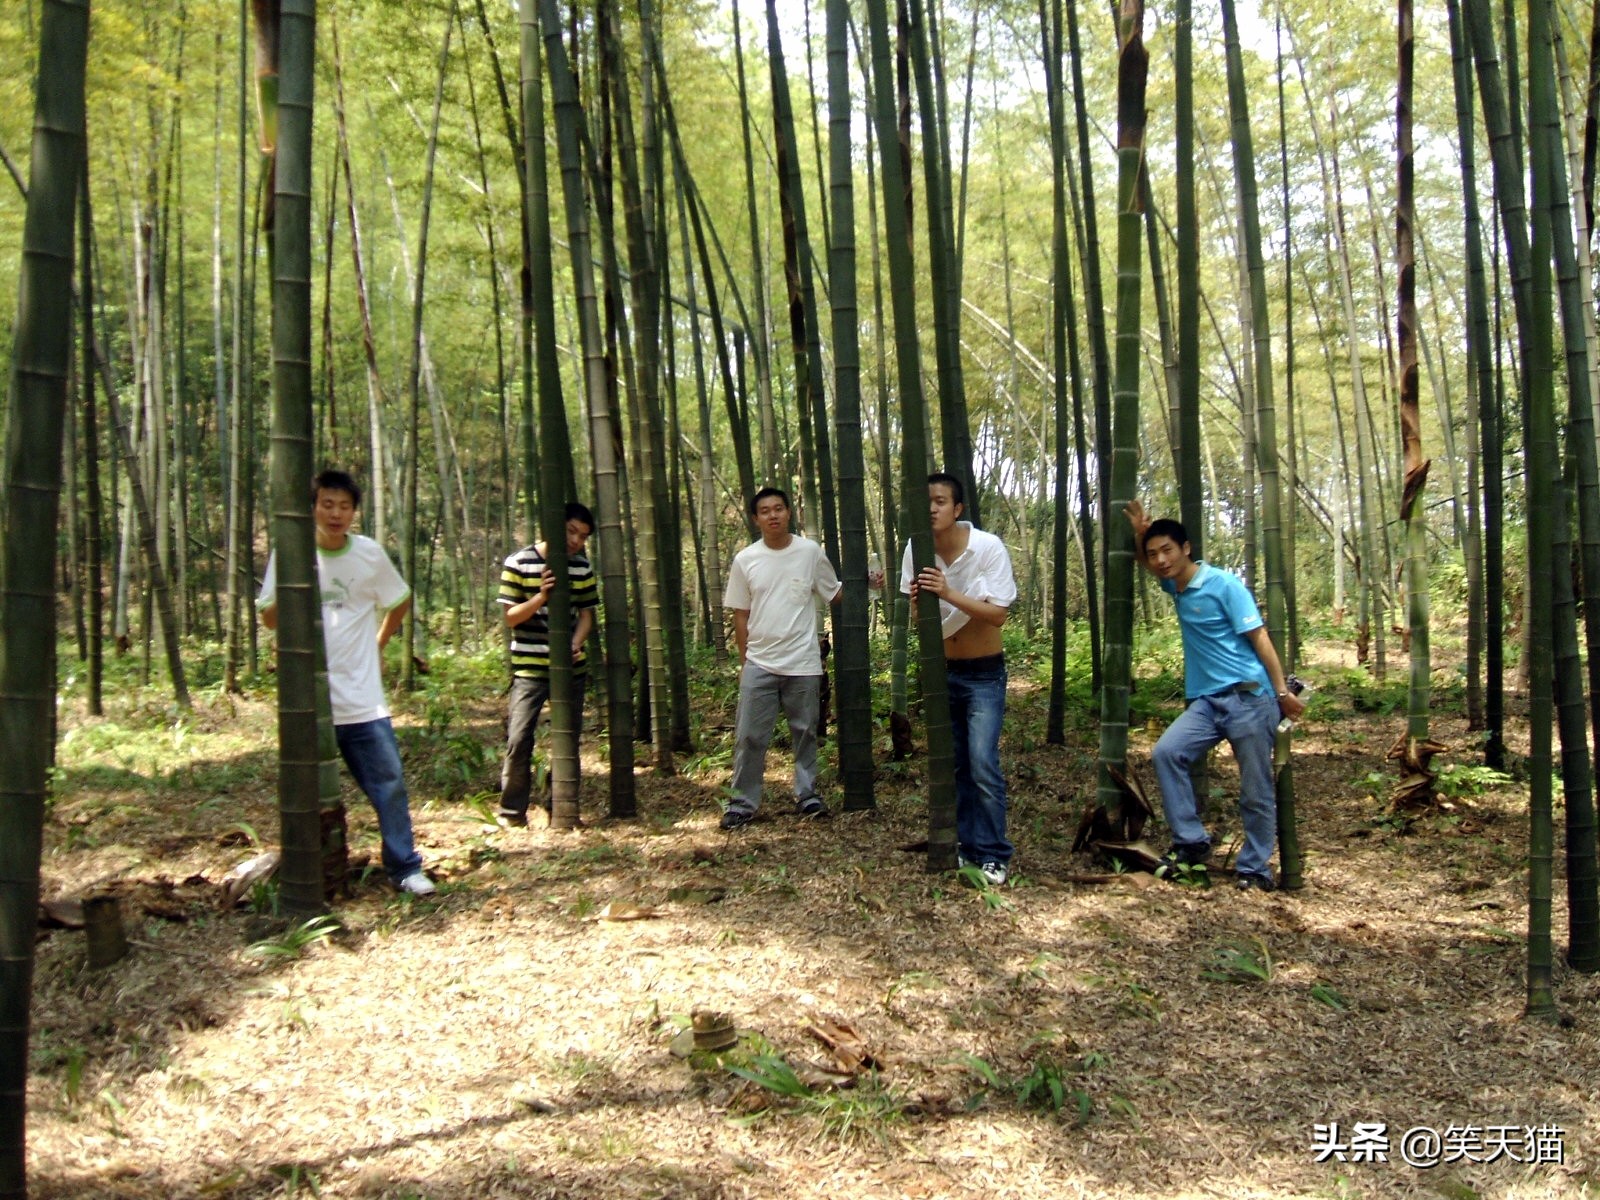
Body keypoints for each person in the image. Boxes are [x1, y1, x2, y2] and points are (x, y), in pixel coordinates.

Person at [257, 470, 435, 896]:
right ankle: (309, 869)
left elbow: (400, 598)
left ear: (354, 512)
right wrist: (294, 584)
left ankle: (404, 867)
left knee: (389, 781)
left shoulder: (369, 554)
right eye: (327, 504)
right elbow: (267, 617)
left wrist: (379, 642)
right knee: (304, 796)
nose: (336, 513)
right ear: (311, 507)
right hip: (306, 698)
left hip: (361, 695)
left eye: (344, 506)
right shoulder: (293, 551)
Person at [1124, 501, 1306, 891]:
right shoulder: (1176, 586)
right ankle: (1191, 842)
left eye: (1167, 550)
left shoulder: (1224, 584)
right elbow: (1146, 563)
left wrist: (1281, 693)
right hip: (1207, 703)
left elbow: (1259, 637)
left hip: (1249, 698)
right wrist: (1141, 534)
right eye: (1154, 554)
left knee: (1255, 787)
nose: (1160, 559)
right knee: (1167, 752)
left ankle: (1254, 868)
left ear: (1187, 549)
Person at [900, 472, 1018, 886]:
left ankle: (995, 853)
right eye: (926, 501)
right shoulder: (915, 549)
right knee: (957, 766)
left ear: (958, 508)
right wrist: (920, 607)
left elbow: (999, 614)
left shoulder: (987, 547)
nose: (931, 508)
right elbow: (920, 620)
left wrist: (948, 593)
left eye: (939, 501)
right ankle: (969, 845)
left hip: (984, 672)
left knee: (984, 763)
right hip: (942, 671)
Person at [722, 487, 842, 829]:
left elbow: (834, 593)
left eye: (778, 508)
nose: (773, 515)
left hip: (803, 660)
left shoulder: (809, 553)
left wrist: (870, 581)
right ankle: (742, 803)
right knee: (749, 736)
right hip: (760, 661)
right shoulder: (746, 559)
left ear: (789, 512)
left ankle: (807, 794)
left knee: (805, 733)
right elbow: (741, 614)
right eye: (765, 510)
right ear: (755, 518)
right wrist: (746, 661)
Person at [497, 502, 598, 827]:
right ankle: (512, 812)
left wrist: (576, 642)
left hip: (569, 667)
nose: (575, 541)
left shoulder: (581, 567)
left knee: (567, 741)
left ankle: (562, 809)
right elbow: (511, 617)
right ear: (554, 526)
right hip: (530, 667)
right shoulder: (518, 562)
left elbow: (586, 616)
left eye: (582, 537)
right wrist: (541, 597)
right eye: (571, 531)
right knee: (519, 738)